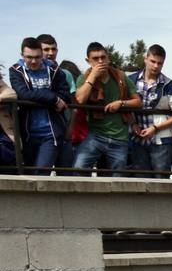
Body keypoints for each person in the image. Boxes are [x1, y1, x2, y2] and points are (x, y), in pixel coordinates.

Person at [71, 42, 141, 173]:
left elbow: (138, 102)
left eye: (103, 57)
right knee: (79, 168)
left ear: (108, 57)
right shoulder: (84, 78)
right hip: (95, 135)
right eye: (95, 59)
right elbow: (80, 99)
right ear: (88, 60)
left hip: (120, 137)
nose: (100, 61)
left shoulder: (120, 76)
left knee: (118, 176)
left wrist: (121, 103)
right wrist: (93, 75)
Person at [8, 37, 71, 174]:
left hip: (51, 132)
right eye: (29, 57)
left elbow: (65, 95)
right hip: (27, 133)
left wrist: (42, 97)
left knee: (41, 175)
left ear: (42, 55)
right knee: (29, 176)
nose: (34, 61)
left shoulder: (54, 69)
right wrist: (52, 98)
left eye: (37, 57)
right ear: (22, 55)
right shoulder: (16, 70)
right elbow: (23, 94)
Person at [127, 45, 172, 178]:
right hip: (137, 139)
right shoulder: (130, 80)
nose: (156, 66)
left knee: (161, 183)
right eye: (153, 61)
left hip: (161, 141)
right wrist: (133, 124)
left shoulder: (169, 84)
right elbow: (125, 107)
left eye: (160, 63)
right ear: (145, 59)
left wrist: (155, 128)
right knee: (140, 182)